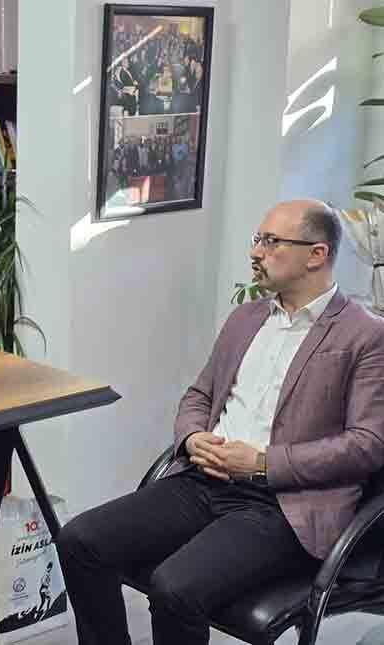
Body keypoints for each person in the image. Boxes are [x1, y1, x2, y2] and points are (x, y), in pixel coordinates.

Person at [57, 200, 384, 645]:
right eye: (257, 239)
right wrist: (193, 436)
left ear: (316, 254)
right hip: (204, 481)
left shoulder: (365, 335)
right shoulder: (246, 318)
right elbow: (200, 395)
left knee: (175, 588)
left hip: (284, 504)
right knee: (80, 541)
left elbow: (366, 445)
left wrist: (263, 462)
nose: (256, 251)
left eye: (271, 242)